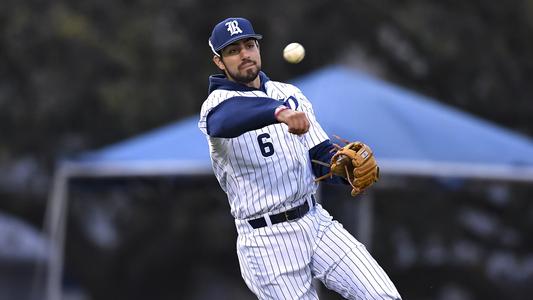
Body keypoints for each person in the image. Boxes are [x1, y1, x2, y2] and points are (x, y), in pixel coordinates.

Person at [198, 17, 401, 300]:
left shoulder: (289, 93)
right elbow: (229, 119)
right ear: (219, 62)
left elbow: (318, 153)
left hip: (315, 221)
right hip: (267, 241)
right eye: (233, 50)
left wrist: (342, 167)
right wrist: (279, 113)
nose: (245, 54)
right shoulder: (216, 107)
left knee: (383, 295)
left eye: (249, 45)